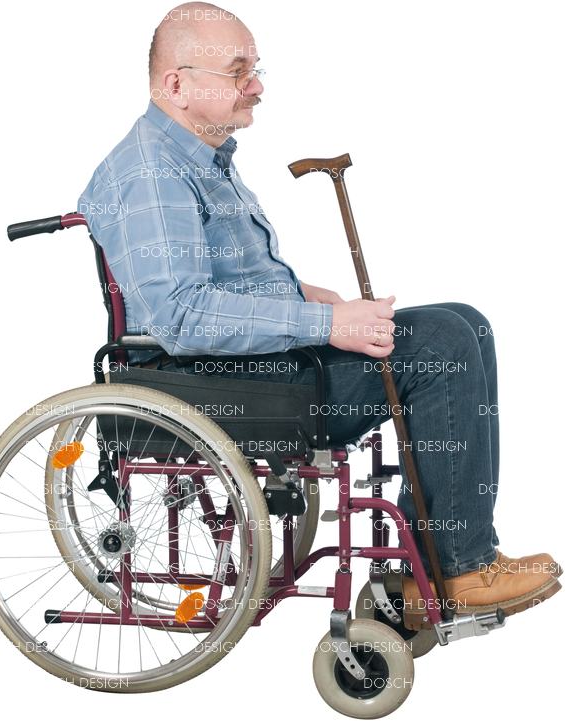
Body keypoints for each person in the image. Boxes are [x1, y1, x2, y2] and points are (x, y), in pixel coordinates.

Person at [78, 1, 561, 627]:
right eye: (238, 71)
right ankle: (458, 567)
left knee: (465, 321)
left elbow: (218, 281)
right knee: (442, 343)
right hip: (220, 382)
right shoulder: (152, 173)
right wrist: (331, 326)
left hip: (250, 365)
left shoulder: (194, 160)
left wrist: (309, 297)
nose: (256, 86)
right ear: (176, 84)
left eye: (256, 69)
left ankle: (444, 560)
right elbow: (180, 314)